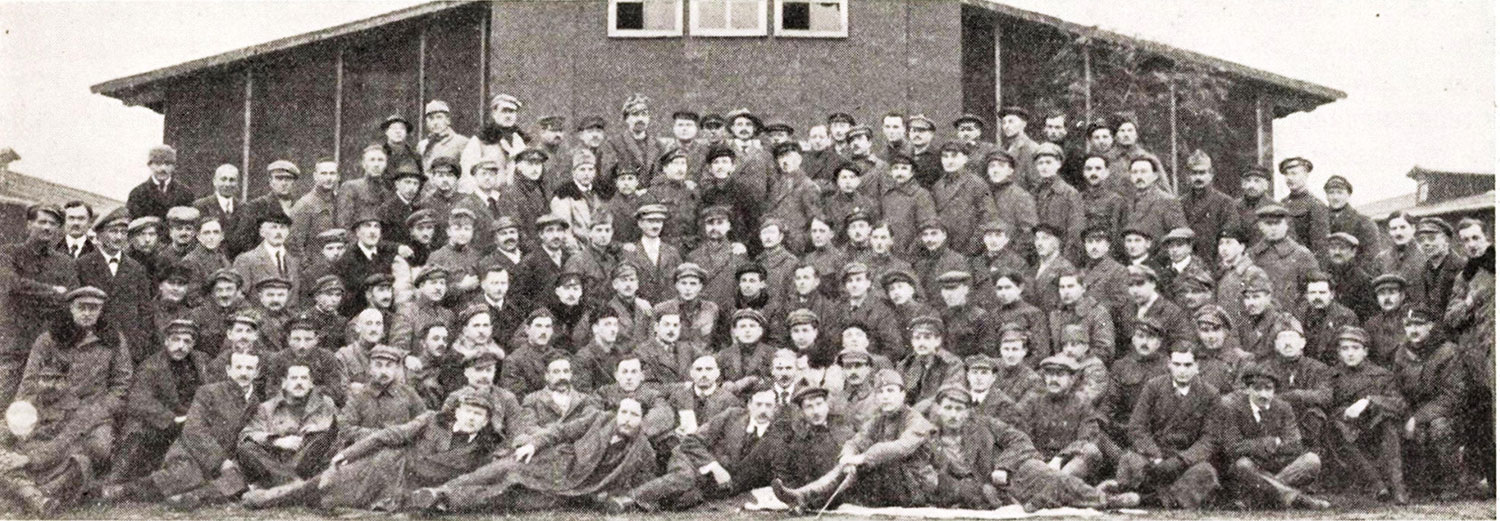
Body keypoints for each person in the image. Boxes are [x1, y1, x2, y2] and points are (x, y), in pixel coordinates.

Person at [241, 389, 497, 511]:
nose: (472, 418)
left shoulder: (483, 449)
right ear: (457, 412)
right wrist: (348, 453)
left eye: (479, 415)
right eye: (468, 411)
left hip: (410, 488)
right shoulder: (431, 420)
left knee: (331, 502)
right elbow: (389, 435)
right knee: (324, 483)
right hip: (387, 464)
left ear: (486, 422)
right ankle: (267, 498)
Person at [408, 398, 657, 513]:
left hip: (572, 490)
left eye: (634, 415)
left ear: (642, 419)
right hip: (554, 464)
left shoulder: (643, 450)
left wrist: (621, 498)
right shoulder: (599, 419)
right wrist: (534, 445)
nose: (626, 419)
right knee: (503, 469)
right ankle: (442, 491)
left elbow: (645, 484)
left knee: (510, 497)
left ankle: (445, 502)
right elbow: (560, 431)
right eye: (624, 412)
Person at [101, 350, 265, 509]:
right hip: (192, 452)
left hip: (226, 461)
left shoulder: (256, 403)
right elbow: (194, 430)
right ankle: (122, 491)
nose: (243, 373)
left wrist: (231, 464)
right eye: (239, 367)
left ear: (257, 372)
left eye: (249, 368)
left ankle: (193, 498)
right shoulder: (208, 392)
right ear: (229, 370)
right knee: (183, 475)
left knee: (236, 481)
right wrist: (220, 461)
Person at [771, 369, 938, 510]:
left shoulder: (916, 420)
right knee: (849, 467)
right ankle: (802, 497)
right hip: (892, 482)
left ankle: (806, 497)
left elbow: (901, 447)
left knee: (874, 463)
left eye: (890, 391)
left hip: (917, 486)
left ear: (903, 394)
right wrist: (847, 457)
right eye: (880, 392)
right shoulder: (878, 420)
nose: (885, 396)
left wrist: (862, 458)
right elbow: (855, 442)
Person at [608, 390, 783, 512]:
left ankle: (640, 501)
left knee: (687, 499)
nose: (763, 410)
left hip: (711, 484)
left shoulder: (777, 435)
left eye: (768, 405)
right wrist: (715, 466)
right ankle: (627, 498)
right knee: (685, 477)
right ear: (750, 405)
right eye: (759, 404)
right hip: (689, 458)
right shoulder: (732, 416)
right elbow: (691, 441)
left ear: (776, 408)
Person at [18, 286, 131, 468]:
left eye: (93, 308)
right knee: (24, 443)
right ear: (71, 308)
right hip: (53, 410)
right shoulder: (49, 339)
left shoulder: (114, 340)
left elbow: (121, 386)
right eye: (81, 307)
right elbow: (29, 383)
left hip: (94, 413)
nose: (87, 313)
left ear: (101, 310)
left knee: (100, 449)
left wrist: (98, 410)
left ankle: (60, 463)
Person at [1107, 346, 1219, 508]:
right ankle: (1162, 497)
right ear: (1169, 364)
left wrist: (1182, 460)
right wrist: (1155, 455)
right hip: (1155, 458)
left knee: (1205, 472)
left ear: (1197, 366)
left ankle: (1144, 499)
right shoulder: (1153, 387)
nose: (1182, 370)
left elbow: (1209, 439)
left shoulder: (1209, 394)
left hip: (1185, 462)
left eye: (1188, 365)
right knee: (1130, 460)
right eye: (1177, 364)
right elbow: (1137, 427)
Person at [1216, 363, 1331, 510]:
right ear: (1247, 389)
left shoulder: (1283, 407)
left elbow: (1295, 445)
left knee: (1312, 460)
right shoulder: (1233, 408)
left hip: (1276, 468)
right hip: (1250, 469)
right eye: (1257, 389)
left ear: (1274, 390)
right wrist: (1270, 442)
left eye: (1268, 389)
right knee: (1243, 465)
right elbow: (1232, 447)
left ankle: (1257, 498)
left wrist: (1253, 448)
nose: (1263, 395)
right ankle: (1296, 499)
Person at [111, 319, 210, 483]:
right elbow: (139, 399)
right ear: (166, 341)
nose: (181, 346)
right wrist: (171, 418)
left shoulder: (201, 362)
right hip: (162, 424)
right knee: (136, 428)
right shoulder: (151, 366)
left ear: (193, 344)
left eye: (187, 341)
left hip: (193, 422)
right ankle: (118, 477)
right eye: (176, 340)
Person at [0, 204, 76, 402]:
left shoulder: (65, 262)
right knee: (6, 399)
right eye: (42, 222)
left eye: (53, 224)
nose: (47, 227)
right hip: (15, 343)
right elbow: (12, 284)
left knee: (42, 403)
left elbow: (70, 297)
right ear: (29, 225)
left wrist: (36, 292)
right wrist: (53, 291)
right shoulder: (9, 253)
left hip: (49, 342)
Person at [1390, 307, 1467, 500]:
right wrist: (1406, 413)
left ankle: (1451, 482)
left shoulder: (1447, 351)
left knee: (1439, 427)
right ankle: (1414, 484)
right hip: (1411, 412)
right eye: (1408, 325)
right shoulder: (1401, 352)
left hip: (1446, 414)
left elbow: (1453, 395)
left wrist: (1417, 417)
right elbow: (1395, 388)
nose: (1413, 330)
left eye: (1418, 324)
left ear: (1430, 326)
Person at [1325, 326, 1408, 504]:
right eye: (1345, 349)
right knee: (1337, 428)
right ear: (1338, 352)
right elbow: (1327, 404)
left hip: (1375, 430)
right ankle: (1377, 485)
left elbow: (1399, 404)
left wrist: (1369, 401)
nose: (1350, 354)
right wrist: (1344, 413)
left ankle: (1398, 487)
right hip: (1346, 431)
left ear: (1365, 351)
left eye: (1355, 348)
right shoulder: (1331, 376)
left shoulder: (1381, 375)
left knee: (1387, 422)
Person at [0, 375, 93, 515]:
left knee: (80, 464)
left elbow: (60, 445)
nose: (50, 385)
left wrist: (28, 459)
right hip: (26, 467)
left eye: (57, 379)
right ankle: (37, 500)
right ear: (38, 380)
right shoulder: (29, 402)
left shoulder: (77, 409)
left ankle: (32, 498)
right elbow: (8, 427)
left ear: (66, 381)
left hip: (57, 466)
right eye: (45, 379)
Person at [236, 364, 338, 491]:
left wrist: (320, 427)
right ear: (284, 383)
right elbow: (247, 433)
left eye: (304, 378)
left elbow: (339, 428)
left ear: (311, 383)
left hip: (307, 459)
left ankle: (286, 485)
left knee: (322, 437)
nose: (299, 383)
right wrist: (277, 441)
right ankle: (291, 483)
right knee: (246, 447)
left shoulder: (325, 403)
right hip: (276, 463)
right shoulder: (267, 408)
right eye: (294, 378)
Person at [75, 208, 155, 361]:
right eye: (113, 231)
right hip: (92, 345)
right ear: (99, 234)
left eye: (123, 232)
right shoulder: (82, 265)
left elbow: (145, 311)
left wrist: (139, 343)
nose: (119, 237)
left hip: (128, 348)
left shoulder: (136, 268)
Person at [1015, 355, 1109, 482]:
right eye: (1049, 374)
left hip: (1068, 466)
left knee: (1091, 451)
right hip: (1036, 462)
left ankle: (1055, 484)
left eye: (1060, 375)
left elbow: (1087, 438)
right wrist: (1038, 460)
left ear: (1071, 379)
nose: (1054, 379)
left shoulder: (1082, 403)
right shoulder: (1032, 400)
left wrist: (1060, 457)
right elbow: (1020, 435)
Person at [336, 345, 427, 449]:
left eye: (389, 366)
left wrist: (402, 433)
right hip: (369, 452)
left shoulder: (408, 393)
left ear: (396, 368)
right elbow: (345, 428)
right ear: (370, 369)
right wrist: (380, 436)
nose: (384, 371)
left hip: (403, 453)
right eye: (378, 365)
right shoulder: (359, 396)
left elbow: (425, 420)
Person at [1250, 205, 1320, 309]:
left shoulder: (1302, 255)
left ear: (1286, 225)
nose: (1273, 228)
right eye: (1268, 224)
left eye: (1277, 223)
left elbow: (1314, 289)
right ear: (1260, 226)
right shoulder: (1252, 255)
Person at [1178, 150, 1241, 262]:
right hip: (1188, 263)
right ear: (1188, 175)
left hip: (1215, 262)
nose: (1198, 177)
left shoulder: (1225, 203)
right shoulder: (1180, 203)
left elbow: (1230, 238)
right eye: (1194, 173)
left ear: (1211, 174)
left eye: (1202, 173)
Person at [1033, 143, 1086, 261]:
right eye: (1040, 163)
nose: (1044, 167)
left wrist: (1065, 261)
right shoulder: (1035, 192)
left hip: (1061, 257)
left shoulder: (1070, 194)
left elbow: (1075, 232)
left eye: (1048, 162)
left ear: (1058, 164)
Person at [1296, 271, 1361, 365]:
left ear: (1332, 295)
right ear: (1306, 295)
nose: (1317, 297)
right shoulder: (1300, 315)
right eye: (1312, 293)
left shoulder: (1346, 317)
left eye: (1322, 293)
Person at [1323, 175, 1385, 271]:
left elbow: (1372, 257)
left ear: (1348, 195)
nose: (1335, 197)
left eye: (1340, 192)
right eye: (1331, 193)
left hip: (1354, 276)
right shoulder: (1320, 220)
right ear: (1326, 196)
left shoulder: (1364, 222)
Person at [127, 145, 195, 221]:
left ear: (174, 166)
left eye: (167, 164)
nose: (163, 168)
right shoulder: (137, 194)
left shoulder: (185, 193)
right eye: (158, 163)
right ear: (150, 165)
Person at [1277, 157, 1330, 254]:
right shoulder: (1282, 204)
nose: (1289, 178)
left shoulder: (1316, 205)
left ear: (1306, 175)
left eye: (1294, 173)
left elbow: (1320, 247)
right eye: (1286, 174)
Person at [1413, 217, 1464, 316]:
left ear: (1446, 240)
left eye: (1432, 238)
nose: (1426, 243)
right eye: (1421, 239)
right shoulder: (1423, 270)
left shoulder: (1460, 267)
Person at [418, 99, 471, 173]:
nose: (435, 122)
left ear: (448, 120)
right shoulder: (422, 145)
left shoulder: (462, 142)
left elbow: (467, 173)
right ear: (427, 122)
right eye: (431, 118)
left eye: (439, 117)